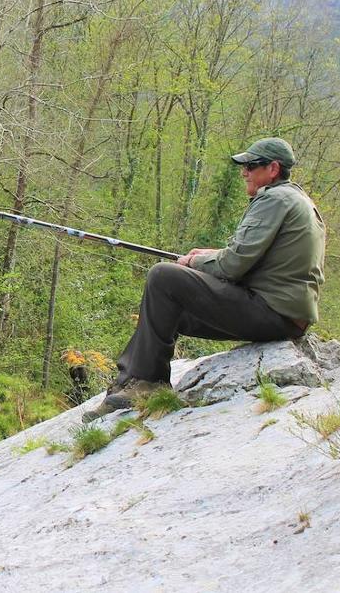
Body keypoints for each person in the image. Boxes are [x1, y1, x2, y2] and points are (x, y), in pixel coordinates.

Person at [84, 137, 326, 421]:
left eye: (250, 166)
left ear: (273, 168)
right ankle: (131, 385)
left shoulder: (273, 199)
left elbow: (233, 266)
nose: (244, 172)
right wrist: (211, 255)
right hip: (285, 314)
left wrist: (193, 262)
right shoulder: (295, 199)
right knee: (165, 311)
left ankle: (146, 383)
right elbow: (255, 258)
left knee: (163, 276)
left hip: (273, 312)